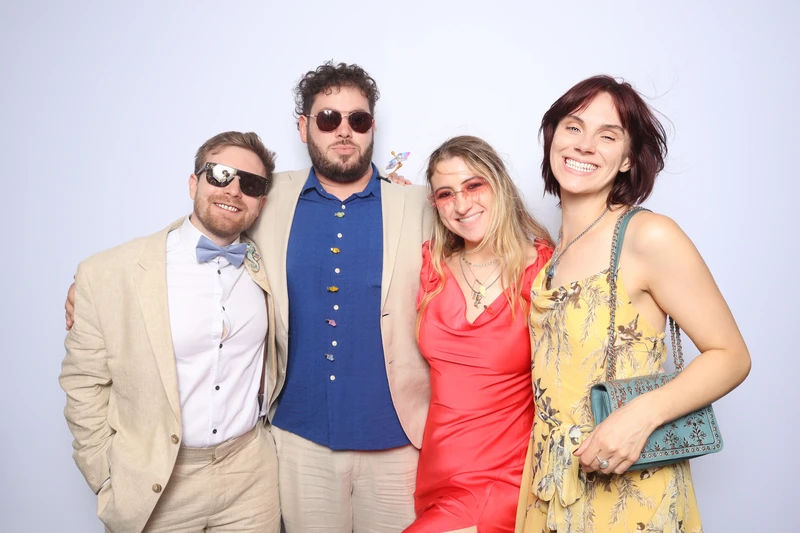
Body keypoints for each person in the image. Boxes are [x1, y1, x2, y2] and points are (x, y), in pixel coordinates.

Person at [516, 76, 751, 532]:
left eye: (608, 135)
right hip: (551, 483)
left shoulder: (647, 235)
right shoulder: (551, 252)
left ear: (627, 159)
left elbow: (732, 357)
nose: (585, 145)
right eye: (573, 127)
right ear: (552, 138)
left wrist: (640, 416)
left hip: (630, 490)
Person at [59, 131, 281, 533]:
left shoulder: (265, 263)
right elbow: (83, 383)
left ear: (261, 202)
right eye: (220, 174)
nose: (233, 190)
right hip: (158, 481)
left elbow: (332, 179)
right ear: (194, 182)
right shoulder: (111, 272)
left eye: (250, 184)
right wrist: (105, 475)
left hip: (251, 477)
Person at [248, 62, 433, 532]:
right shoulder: (271, 197)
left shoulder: (418, 203)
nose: (344, 130)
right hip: (299, 438)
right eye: (328, 118)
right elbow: (209, 215)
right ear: (304, 126)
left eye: (359, 119)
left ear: (372, 127)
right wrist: (107, 277)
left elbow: (495, 234)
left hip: (399, 442)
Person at [404, 136, 553, 533]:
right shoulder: (433, 266)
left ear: (499, 184)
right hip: (437, 473)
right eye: (446, 194)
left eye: (474, 186)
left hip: (504, 476)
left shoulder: (541, 270)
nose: (462, 204)